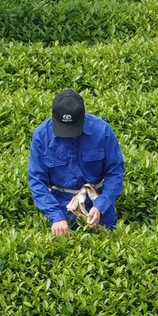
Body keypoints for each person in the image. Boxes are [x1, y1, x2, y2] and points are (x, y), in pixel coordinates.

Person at [27, 88, 125, 236]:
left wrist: (100, 206)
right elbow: (36, 180)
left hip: (97, 203)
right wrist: (56, 216)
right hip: (58, 207)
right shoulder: (41, 136)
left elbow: (115, 172)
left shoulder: (102, 131)